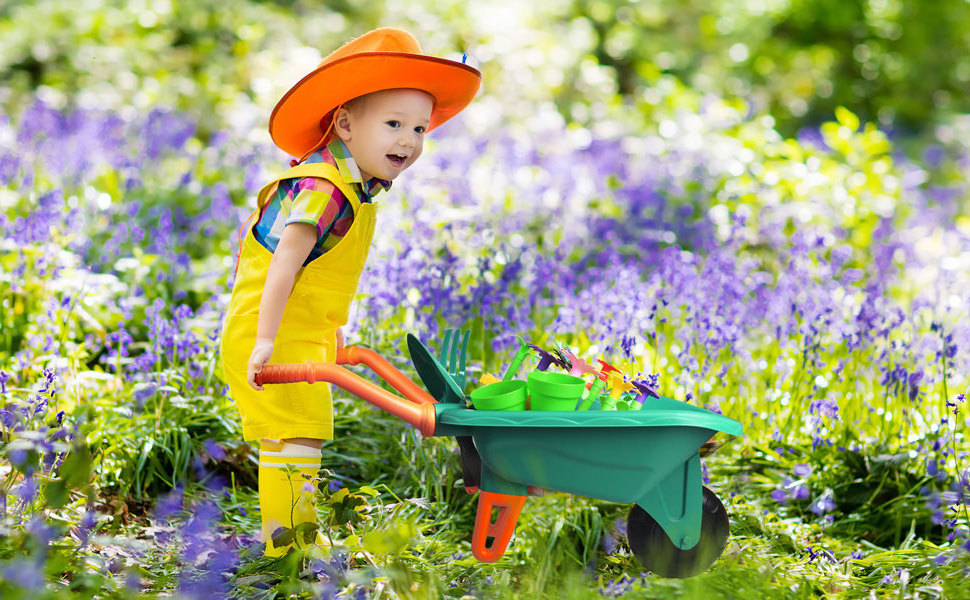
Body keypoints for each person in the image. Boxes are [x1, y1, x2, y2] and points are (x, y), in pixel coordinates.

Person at [219, 27, 481, 557]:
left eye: (419, 128)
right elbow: (284, 265)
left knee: (297, 435)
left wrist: (334, 334)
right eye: (393, 124)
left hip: (300, 333)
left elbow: (322, 274)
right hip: (268, 332)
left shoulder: (355, 193)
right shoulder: (321, 189)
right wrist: (265, 342)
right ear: (344, 123)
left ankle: (292, 541)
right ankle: (286, 552)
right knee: (297, 434)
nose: (408, 140)